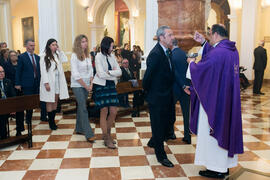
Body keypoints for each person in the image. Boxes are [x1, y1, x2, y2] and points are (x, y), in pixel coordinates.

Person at [187, 24, 243, 179]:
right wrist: (204, 43)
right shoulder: (231, 50)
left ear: (216, 34)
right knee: (225, 129)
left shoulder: (218, 53)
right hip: (226, 99)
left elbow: (203, 70)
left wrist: (191, 63)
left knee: (212, 132)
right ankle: (222, 167)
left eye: (210, 34)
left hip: (214, 101)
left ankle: (216, 168)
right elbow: (214, 62)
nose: (209, 36)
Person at [142, 26, 175, 167]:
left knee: (169, 122)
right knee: (158, 127)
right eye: (170, 35)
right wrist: (151, 93)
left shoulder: (167, 52)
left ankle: (153, 141)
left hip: (167, 96)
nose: (172, 37)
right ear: (161, 38)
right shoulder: (155, 54)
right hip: (157, 97)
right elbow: (147, 78)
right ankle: (161, 156)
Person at [93, 36, 121, 149]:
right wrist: (112, 74)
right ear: (106, 45)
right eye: (111, 46)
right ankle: (106, 137)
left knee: (114, 111)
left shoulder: (112, 56)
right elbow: (100, 74)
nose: (112, 48)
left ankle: (107, 134)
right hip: (100, 86)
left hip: (110, 85)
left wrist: (109, 73)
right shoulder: (98, 57)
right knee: (104, 111)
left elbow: (119, 72)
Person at [15, 39, 47, 123]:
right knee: (29, 102)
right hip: (27, 84)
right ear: (26, 46)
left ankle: (43, 117)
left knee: (42, 100)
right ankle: (28, 119)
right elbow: (18, 71)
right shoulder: (21, 57)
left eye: (34, 45)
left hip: (38, 83)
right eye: (31, 45)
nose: (33, 47)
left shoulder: (37, 57)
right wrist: (17, 83)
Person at [40, 39, 69, 130]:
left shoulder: (57, 55)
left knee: (55, 101)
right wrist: (46, 83)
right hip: (49, 82)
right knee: (50, 101)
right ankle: (51, 122)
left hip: (57, 81)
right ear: (49, 46)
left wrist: (60, 50)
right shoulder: (44, 56)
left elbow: (65, 59)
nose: (55, 46)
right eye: (53, 44)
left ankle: (53, 120)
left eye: (56, 44)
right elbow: (43, 71)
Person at [71, 34, 95, 143]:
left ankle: (79, 128)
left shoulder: (88, 55)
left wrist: (91, 83)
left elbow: (91, 70)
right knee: (83, 107)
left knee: (82, 106)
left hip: (86, 85)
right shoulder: (74, 56)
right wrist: (86, 86)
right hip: (78, 85)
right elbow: (75, 74)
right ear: (78, 43)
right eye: (83, 41)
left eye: (86, 41)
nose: (85, 43)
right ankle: (89, 133)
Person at [170, 39, 191, 144]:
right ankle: (187, 135)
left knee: (170, 111)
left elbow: (175, 73)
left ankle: (171, 133)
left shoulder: (171, 55)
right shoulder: (185, 54)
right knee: (186, 113)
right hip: (187, 88)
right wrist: (186, 85)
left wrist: (181, 85)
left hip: (175, 88)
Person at [4, 50, 25, 136]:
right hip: (11, 91)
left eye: (15, 55)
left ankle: (19, 130)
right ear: (9, 57)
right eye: (12, 55)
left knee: (20, 112)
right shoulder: (6, 66)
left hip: (20, 91)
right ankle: (4, 132)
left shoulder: (21, 64)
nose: (13, 57)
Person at [0, 66, 16, 139]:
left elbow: (12, 95)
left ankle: (19, 132)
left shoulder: (7, 81)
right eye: (0, 72)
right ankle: (3, 136)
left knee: (20, 112)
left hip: (7, 106)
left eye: (3, 71)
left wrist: (13, 108)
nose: (2, 73)